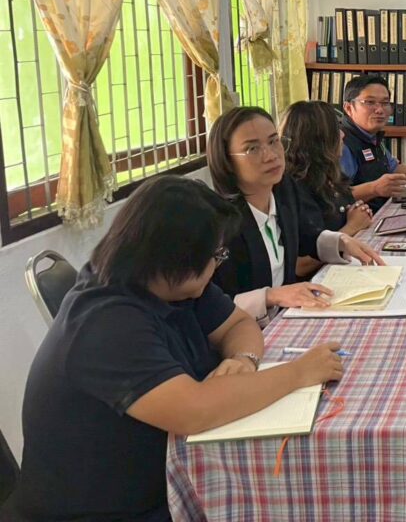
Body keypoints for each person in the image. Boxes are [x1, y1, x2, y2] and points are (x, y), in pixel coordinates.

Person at [10, 176, 345, 521]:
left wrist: (243, 360)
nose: (218, 264)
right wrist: (297, 373)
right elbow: (193, 412)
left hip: (167, 480)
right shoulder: (106, 322)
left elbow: (239, 325)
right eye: (215, 255)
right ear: (174, 257)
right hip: (111, 510)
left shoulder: (171, 284)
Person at [207, 106, 385, 323]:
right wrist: (270, 296)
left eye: (274, 141)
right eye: (252, 148)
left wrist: (342, 241)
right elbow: (209, 308)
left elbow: (307, 238)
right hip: (243, 332)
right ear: (226, 161)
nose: (271, 155)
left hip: (286, 319)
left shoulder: (284, 191)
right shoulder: (218, 224)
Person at [338, 74, 406, 211]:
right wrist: (374, 189)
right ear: (348, 108)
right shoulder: (340, 143)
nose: (379, 110)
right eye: (370, 102)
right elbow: (333, 196)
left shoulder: (371, 136)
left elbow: (392, 168)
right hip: (356, 221)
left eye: (385, 103)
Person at [281, 100, 374, 236]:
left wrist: (360, 214)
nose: (343, 135)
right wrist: (352, 227)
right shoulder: (296, 188)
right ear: (319, 139)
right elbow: (310, 247)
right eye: (336, 130)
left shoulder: (329, 174)